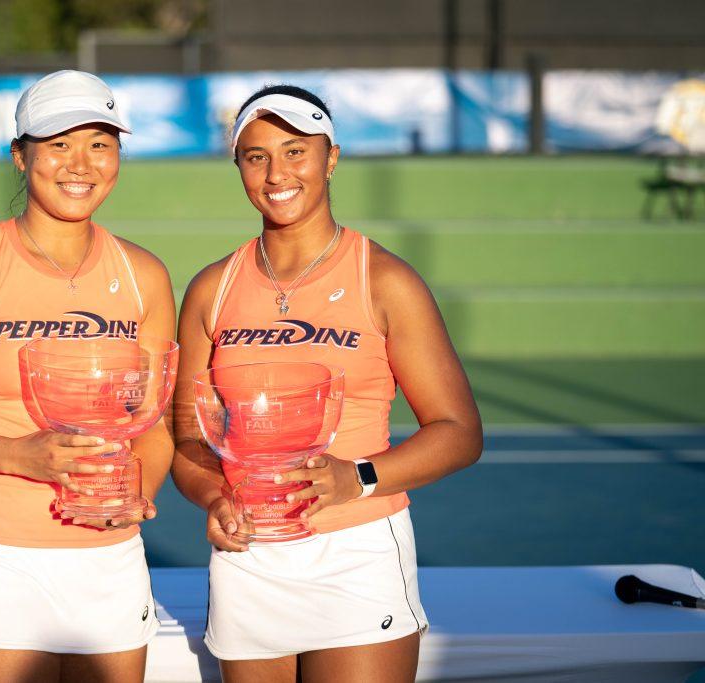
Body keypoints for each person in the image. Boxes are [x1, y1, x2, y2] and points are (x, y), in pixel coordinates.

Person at [171, 84, 483, 682]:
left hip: (357, 554)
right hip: (249, 557)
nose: (276, 172)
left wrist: (355, 477)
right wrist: (215, 497)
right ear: (238, 166)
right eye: (257, 156)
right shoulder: (212, 288)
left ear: (331, 158)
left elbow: (459, 432)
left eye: (295, 151)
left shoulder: (385, 280)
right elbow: (186, 436)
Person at [0, 70, 175, 683]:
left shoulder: (145, 275)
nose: (81, 164)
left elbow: (153, 421)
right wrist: (23, 458)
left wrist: (136, 490)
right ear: (20, 157)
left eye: (100, 142)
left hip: (110, 551)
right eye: (58, 144)